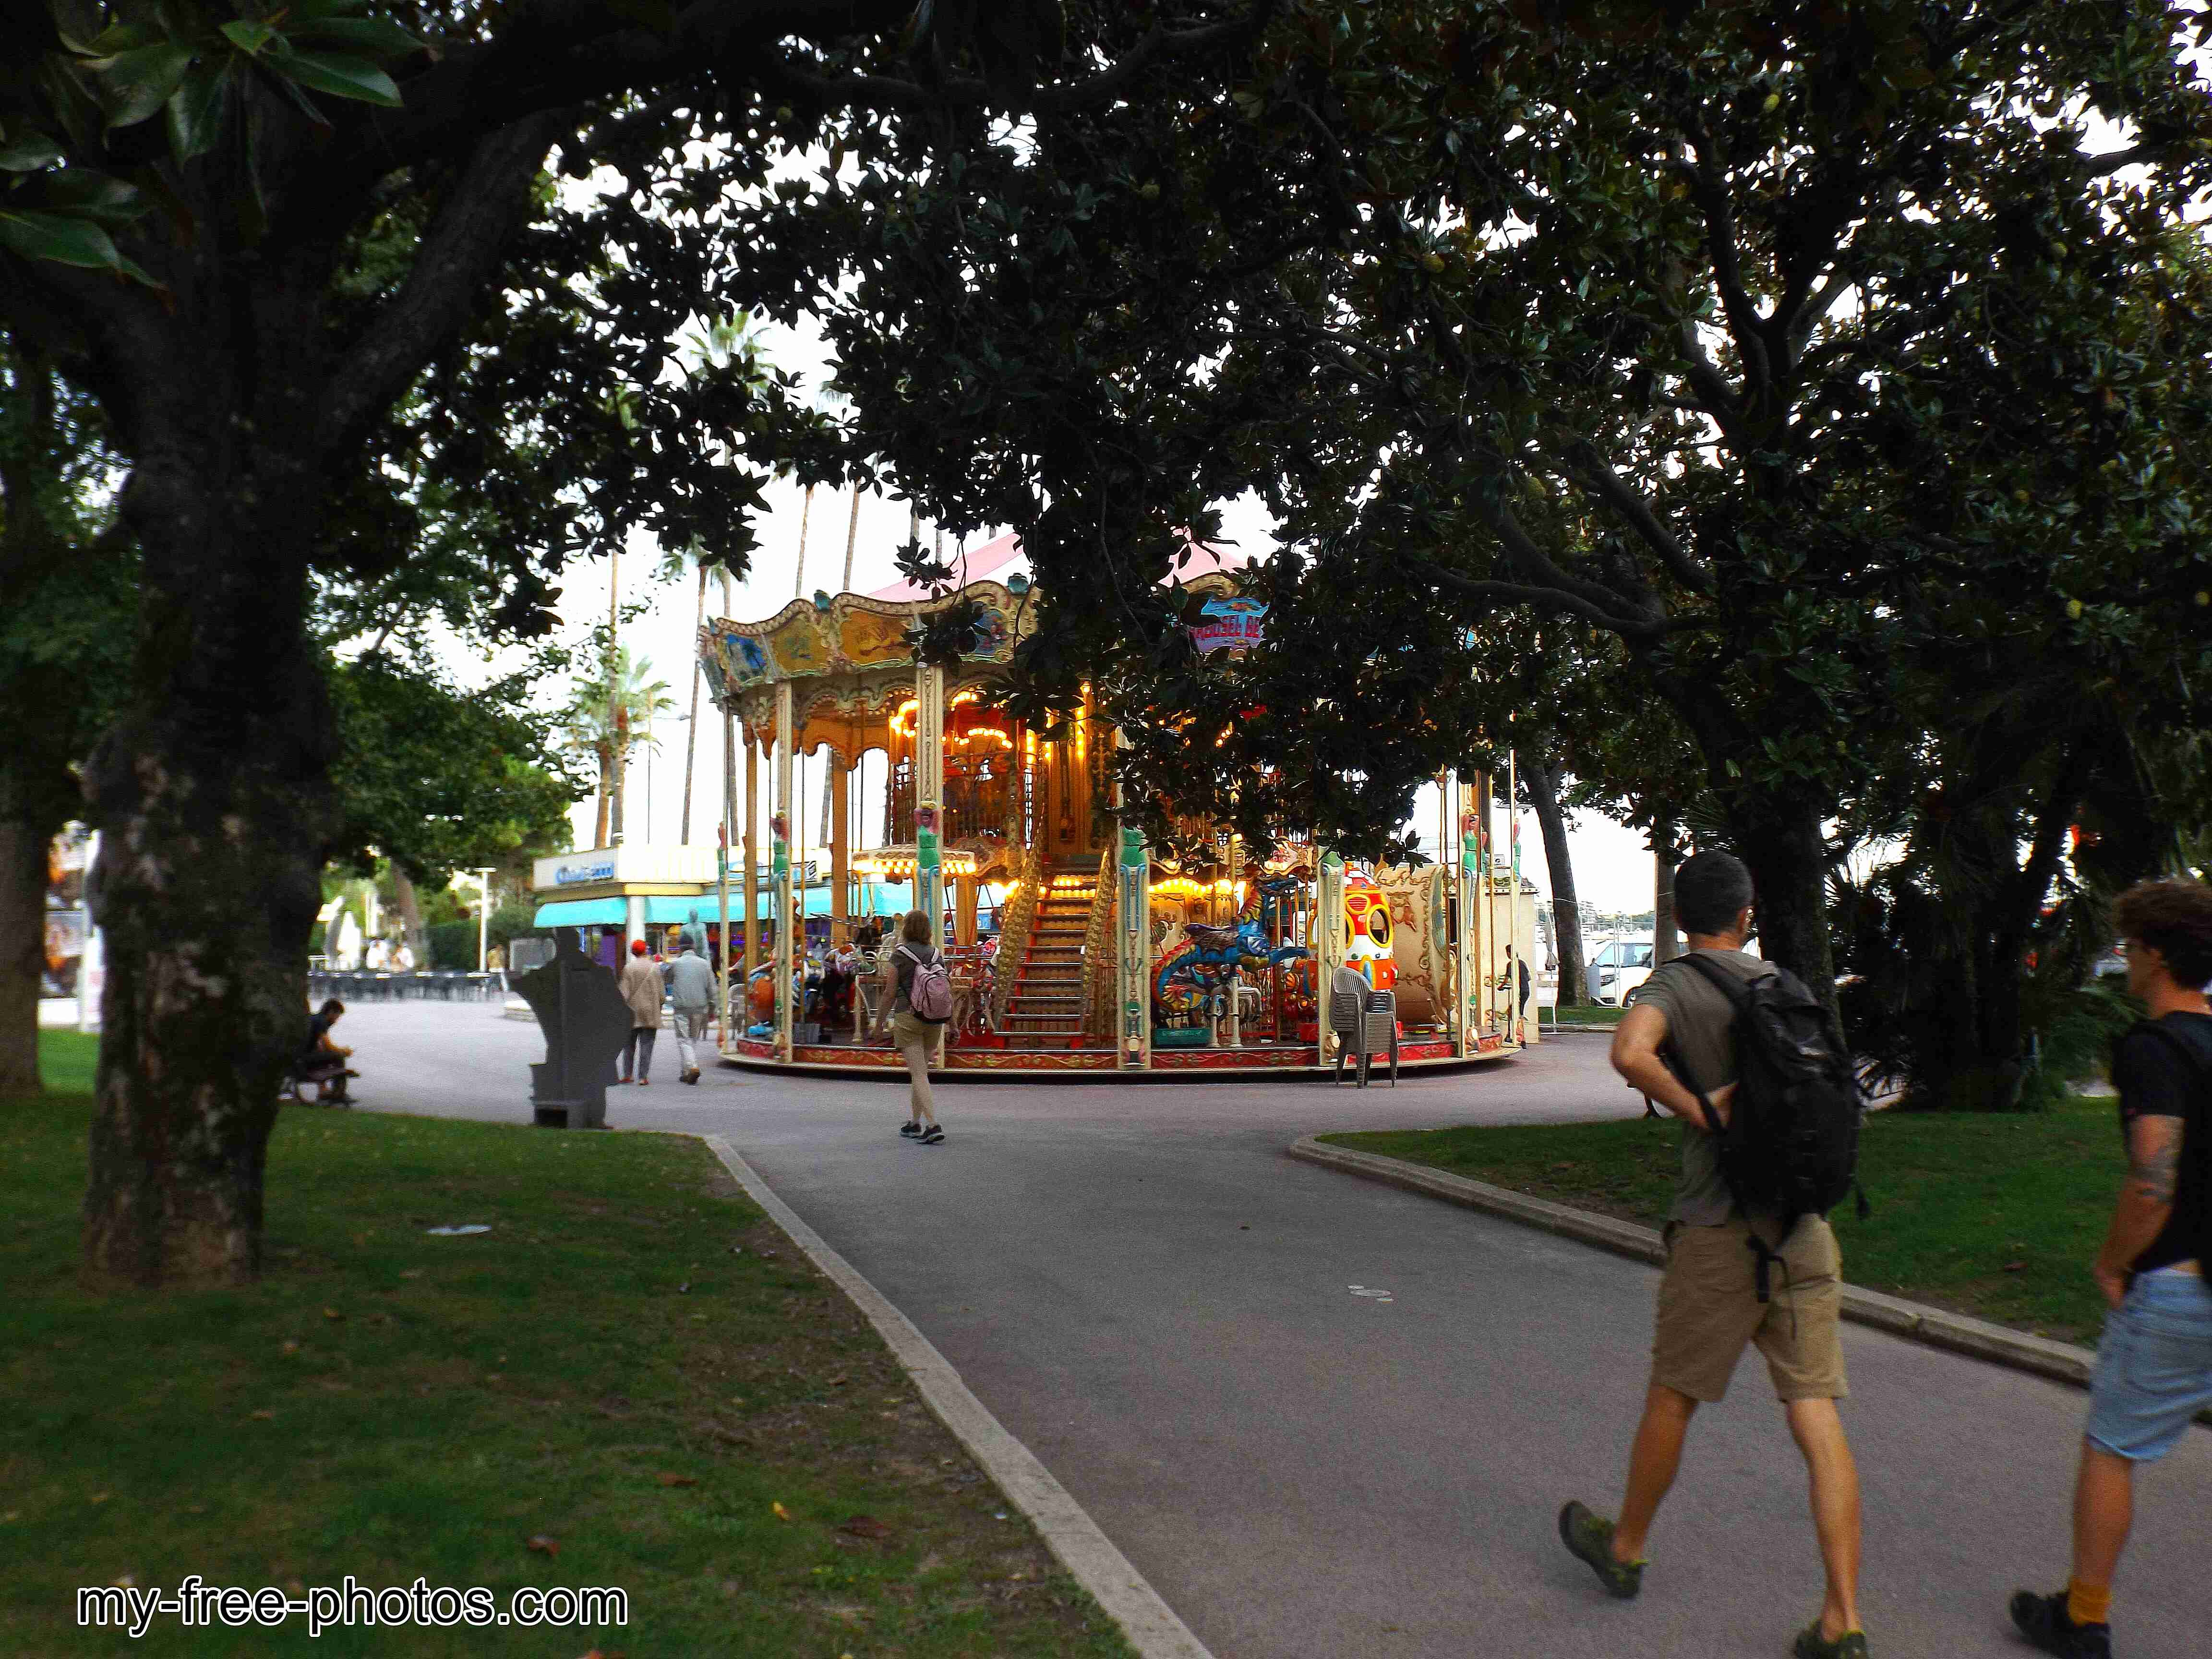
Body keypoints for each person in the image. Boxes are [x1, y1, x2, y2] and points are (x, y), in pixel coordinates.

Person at [1560, 850, 1868, 1659]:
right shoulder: (1783, 985)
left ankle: (1624, 1549)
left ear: (1678, 915)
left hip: (1717, 1232)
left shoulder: (1673, 986)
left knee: (1674, 1396)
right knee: (1816, 1415)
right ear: (1745, 913)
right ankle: (1842, 1620)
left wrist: (1698, 1108)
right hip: (1802, 1228)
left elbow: (1628, 1052)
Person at [2009, 878, 2212, 1659]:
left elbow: (2151, 1182)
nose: (2124, 958)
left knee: (2111, 1448)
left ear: (2155, 954)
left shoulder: (2154, 1048)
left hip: (2177, 1287)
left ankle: (2083, 1619)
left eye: (2129, 946)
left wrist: (2111, 1262)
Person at [871, 908, 945, 1144]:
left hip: (909, 1018)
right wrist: (952, 1023)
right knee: (920, 1071)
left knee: (919, 1073)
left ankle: (932, 1124)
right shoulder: (936, 954)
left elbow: (890, 993)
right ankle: (915, 1122)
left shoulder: (899, 955)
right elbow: (946, 989)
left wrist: (879, 1024)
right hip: (934, 1019)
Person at [663, 938, 717, 1085]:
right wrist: (713, 1008)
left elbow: (667, 979)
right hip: (700, 1007)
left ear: (681, 948)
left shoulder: (676, 964)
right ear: (694, 948)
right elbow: (712, 989)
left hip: (682, 1007)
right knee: (692, 1039)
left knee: (683, 1039)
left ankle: (692, 1067)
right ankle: (686, 1072)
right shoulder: (705, 964)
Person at [616, 938, 663, 1085]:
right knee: (647, 1046)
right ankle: (643, 1077)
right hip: (650, 1012)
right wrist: (660, 1006)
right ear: (645, 951)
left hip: (632, 1013)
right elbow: (662, 994)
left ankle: (627, 1075)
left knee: (629, 1046)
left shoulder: (629, 968)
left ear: (633, 953)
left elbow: (623, 993)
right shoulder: (655, 968)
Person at [297, 998, 355, 1105]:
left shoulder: (314, 1019)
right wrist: (344, 1051)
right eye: (338, 1016)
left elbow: (320, 1046)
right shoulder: (321, 1021)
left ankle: (323, 1092)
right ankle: (339, 1093)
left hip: (299, 1059)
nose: (337, 1020)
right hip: (304, 1061)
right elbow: (327, 1045)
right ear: (331, 1012)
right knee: (339, 1057)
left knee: (325, 1056)